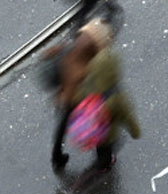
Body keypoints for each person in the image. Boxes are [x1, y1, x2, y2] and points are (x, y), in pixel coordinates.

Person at [48, 18, 114, 171]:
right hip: (81, 92)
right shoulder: (97, 47)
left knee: (64, 120)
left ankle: (56, 156)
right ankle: (104, 158)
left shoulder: (74, 44)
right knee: (100, 119)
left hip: (66, 92)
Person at [71, 45, 141, 172]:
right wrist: (135, 131)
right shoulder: (117, 96)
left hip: (94, 126)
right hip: (108, 132)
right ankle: (104, 165)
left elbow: (80, 95)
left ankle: (101, 160)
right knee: (107, 148)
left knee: (100, 146)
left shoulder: (91, 82)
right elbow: (127, 115)